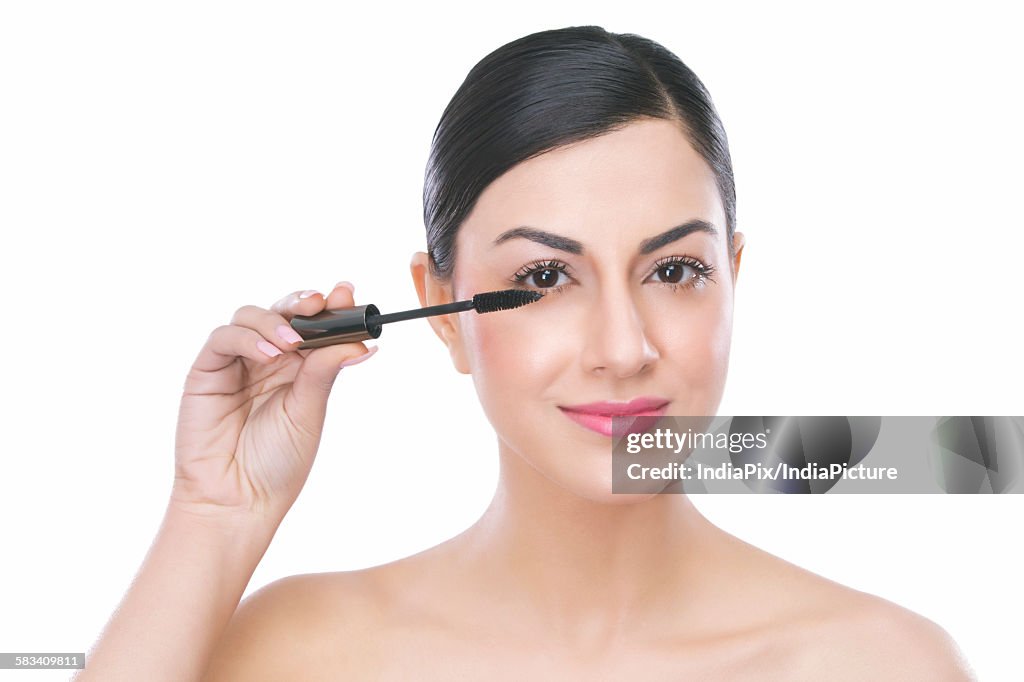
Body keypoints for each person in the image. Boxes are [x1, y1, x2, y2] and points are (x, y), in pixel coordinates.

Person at [76, 25, 975, 680]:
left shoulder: (881, 662)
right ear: (439, 305)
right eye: (545, 277)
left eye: (674, 269)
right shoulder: (299, 653)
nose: (623, 350)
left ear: (733, 275)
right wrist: (214, 515)